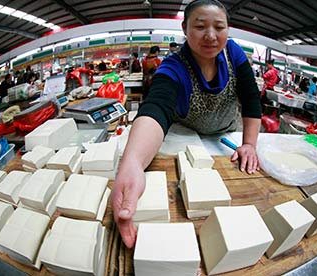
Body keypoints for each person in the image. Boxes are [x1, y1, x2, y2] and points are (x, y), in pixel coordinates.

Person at [111, 0, 261, 249]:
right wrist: (133, 163)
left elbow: (251, 97)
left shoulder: (233, 54)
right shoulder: (174, 66)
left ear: (227, 29)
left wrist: (249, 144)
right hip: (187, 141)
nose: (211, 36)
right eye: (200, 26)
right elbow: (156, 108)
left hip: (225, 139)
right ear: (185, 28)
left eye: (219, 27)